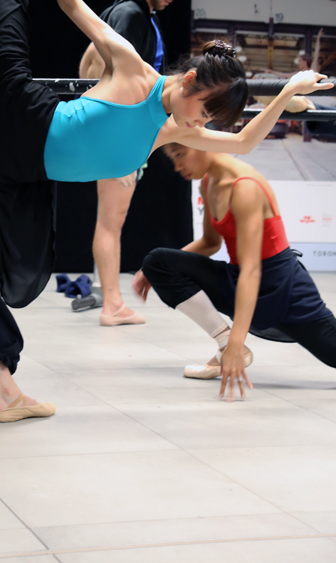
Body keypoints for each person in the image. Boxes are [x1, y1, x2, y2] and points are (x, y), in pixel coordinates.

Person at [0, 0, 331, 423]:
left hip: (19, 169)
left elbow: (242, 144)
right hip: (16, 110)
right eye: (203, 109)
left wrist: (283, 93)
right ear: (189, 79)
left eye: (207, 121)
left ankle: (2, 388)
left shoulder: (166, 132)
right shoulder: (136, 70)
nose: (198, 126)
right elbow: (73, 3)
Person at [133, 144, 336, 402]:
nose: (177, 167)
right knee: (157, 260)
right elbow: (210, 242)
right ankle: (223, 343)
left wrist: (238, 344)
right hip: (239, 278)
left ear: (202, 145)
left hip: (282, 289)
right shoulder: (209, 181)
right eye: (173, 158)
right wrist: (155, 269)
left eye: (180, 155)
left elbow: (253, 270)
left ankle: (229, 346)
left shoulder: (245, 187)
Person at [79, 0, 185, 326]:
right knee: (111, 219)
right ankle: (111, 305)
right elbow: (113, 77)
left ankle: (113, 302)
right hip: (122, 132)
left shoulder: (130, 12)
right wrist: (119, 144)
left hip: (126, 130)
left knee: (112, 219)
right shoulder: (131, 14)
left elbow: (92, 64)